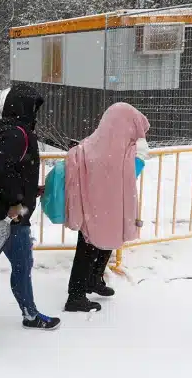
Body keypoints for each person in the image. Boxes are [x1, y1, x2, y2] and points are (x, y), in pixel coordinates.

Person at [0, 84, 61, 330]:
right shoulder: (18, 134)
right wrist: (16, 202)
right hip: (11, 216)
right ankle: (30, 314)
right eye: (34, 107)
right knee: (21, 266)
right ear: (25, 107)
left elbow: (9, 171)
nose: (36, 112)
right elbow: (2, 170)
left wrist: (32, 190)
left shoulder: (3, 130)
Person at [64, 102, 150, 312]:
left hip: (97, 207)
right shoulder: (123, 153)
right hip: (99, 207)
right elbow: (133, 173)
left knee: (107, 240)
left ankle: (93, 279)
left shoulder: (93, 144)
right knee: (88, 248)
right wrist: (139, 157)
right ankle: (75, 296)